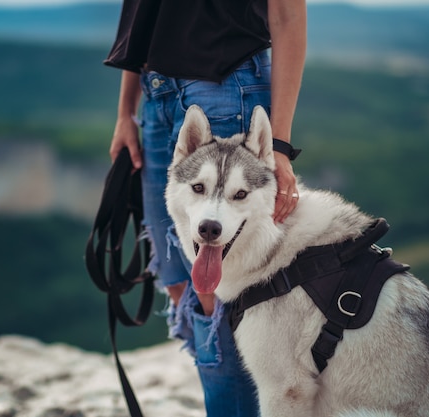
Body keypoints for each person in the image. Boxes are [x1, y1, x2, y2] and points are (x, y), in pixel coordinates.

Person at [104, 0, 306, 415]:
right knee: (178, 277)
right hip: (154, 90)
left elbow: (286, 14)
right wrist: (126, 112)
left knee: (222, 296)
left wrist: (278, 146)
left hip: (223, 86)